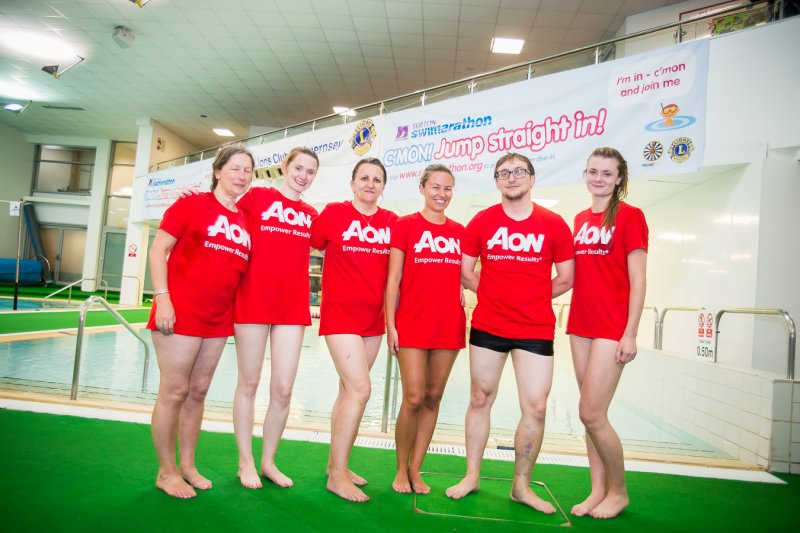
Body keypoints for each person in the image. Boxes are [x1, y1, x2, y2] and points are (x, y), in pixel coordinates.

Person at [445, 152, 574, 513]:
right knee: (480, 397)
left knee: (535, 405)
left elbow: (567, 278)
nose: (512, 178)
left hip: (534, 328)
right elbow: (465, 270)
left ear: (532, 179)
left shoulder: (554, 224)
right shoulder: (482, 221)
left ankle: (521, 486)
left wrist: (530, 296)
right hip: (489, 324)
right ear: (497, 181)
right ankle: (471, 476)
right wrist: (493, 294)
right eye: (504, 173)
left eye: (519, 172)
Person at [148, 146, 253, 498]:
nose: (241, 175)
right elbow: (158, 249)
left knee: (198, 392)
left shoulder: (244, 219)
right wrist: (162, 297)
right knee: (174, 391)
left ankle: (188, 465)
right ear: (218, 170)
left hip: (218, 317)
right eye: (235, 168)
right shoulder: (191, 205)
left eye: (247, 171)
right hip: (180, 310)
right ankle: (166, 472)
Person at [310, 157, 398, 502]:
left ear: (383, 186)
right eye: (364, 177)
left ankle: (337, 467)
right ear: (353, 183)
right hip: (340, 316)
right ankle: (337, 476)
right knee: (361, 389)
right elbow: (303, 244)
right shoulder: (333, 213)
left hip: (373, 321)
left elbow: (404, 269)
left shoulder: (392, 222)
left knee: (347, 392)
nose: (370, 184)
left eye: (377, 179)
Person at [566, 147, 648, 519]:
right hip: (581, 323)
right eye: (592, 171)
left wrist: (631, 332)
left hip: (612, 327)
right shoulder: (580, 219)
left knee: (591, 412)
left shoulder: (631, 217)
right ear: (586, 175)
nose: (598, 178)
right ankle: (597, 490)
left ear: (619, 179)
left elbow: (639, 278)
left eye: (606, 173)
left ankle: (619, 491)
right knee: (590, 415)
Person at [232, 147, 319, 489]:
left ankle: (268, 461)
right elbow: (222, 204)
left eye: (310, 172)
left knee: (283, 389)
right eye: (298, 168)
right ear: (285, 167)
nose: (303, 175)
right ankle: (245, 462)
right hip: (253, 300)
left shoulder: (311, 214)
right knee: (249, 383)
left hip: (290, 307)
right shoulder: (258, 197)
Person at [385, 164, 466, 494]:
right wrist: (391, 324)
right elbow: (393, 280)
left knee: (433, 397)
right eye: (435, 187)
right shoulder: (406, 226)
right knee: (414, 397)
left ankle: (416, 469)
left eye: (447, 188)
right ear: (422, 188)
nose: (441, 194)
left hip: (448, 324)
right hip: (412, 323)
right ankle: (399, 469)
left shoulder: (461, 231)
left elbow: (469, 273)